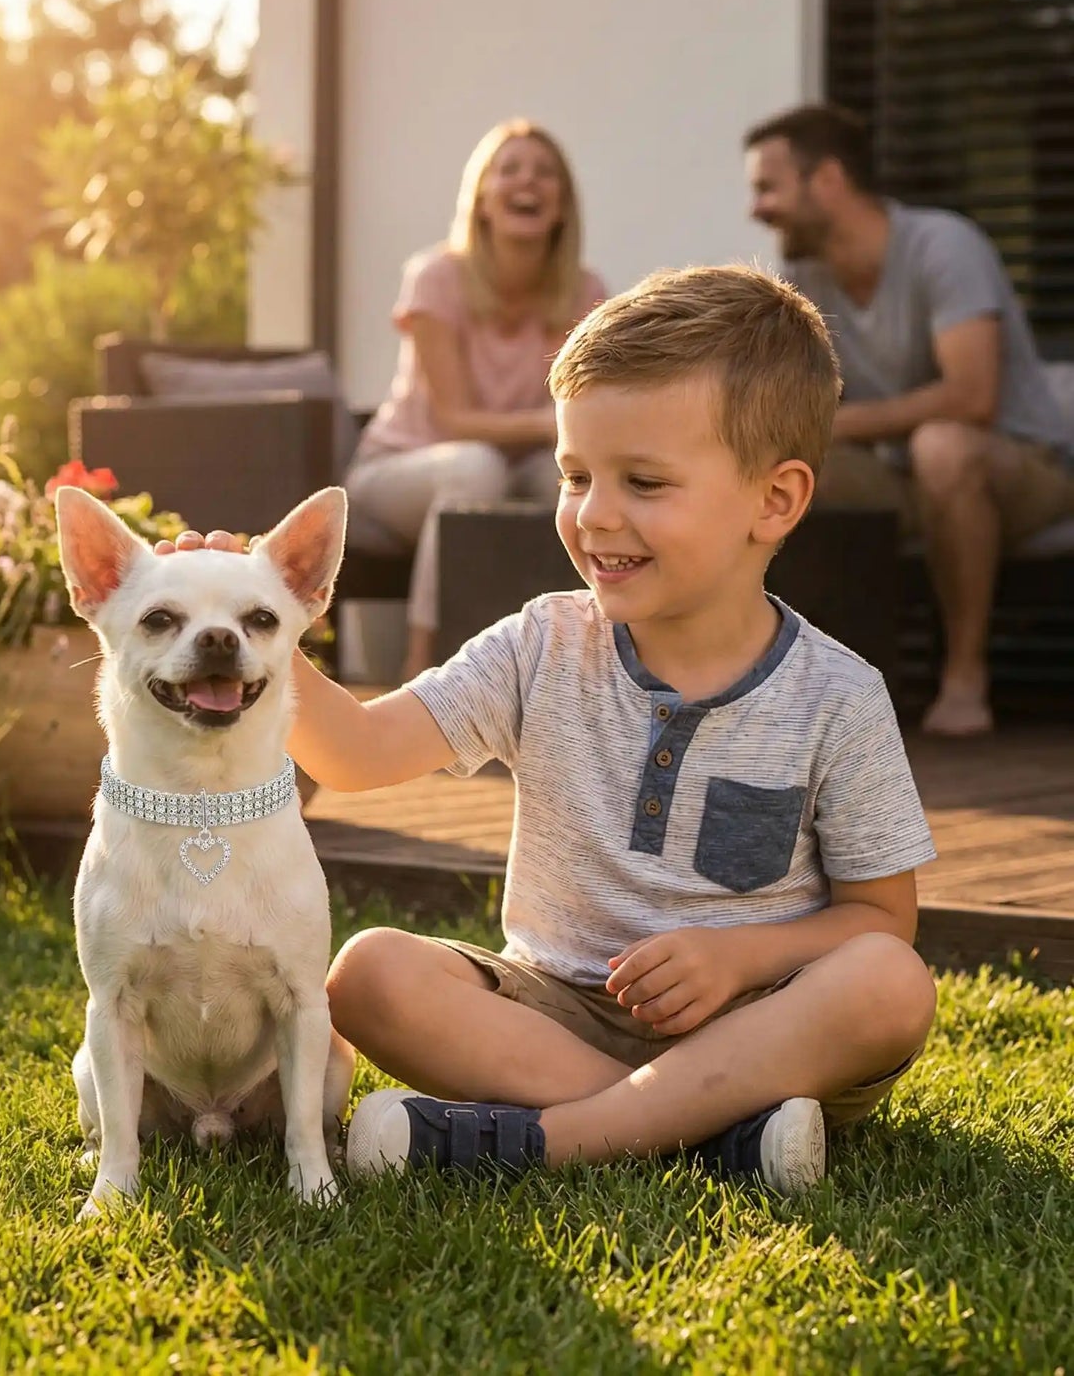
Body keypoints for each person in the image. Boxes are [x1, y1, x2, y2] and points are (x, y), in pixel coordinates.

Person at [159, 265, 938, 1196]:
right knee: (368, 974)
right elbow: (358, 752)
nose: (595, 512)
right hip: (554, 1015)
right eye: (576, 475)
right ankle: (713, 1137)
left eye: (644, 481)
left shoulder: (838, 696)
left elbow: (880, 917)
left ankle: (556, 1139)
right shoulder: (540, 644)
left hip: (764, 1025)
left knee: (890, 982)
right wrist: (257, 624)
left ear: (773, 500)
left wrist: (738, 957)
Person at [743, 103, 1074, 737]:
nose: (757, 209)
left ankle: (964, 678)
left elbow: (971, 397)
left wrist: (841, 425)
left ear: (829, 182)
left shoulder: (942, 245)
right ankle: (784, 692)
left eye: (768, 187)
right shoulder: (804, 276)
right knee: (774, 469)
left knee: (944, 447)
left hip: (1022, 469)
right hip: (902, 474)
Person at [346, 118, 607, 680]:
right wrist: (550, 426)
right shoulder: (436, 276)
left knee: (575, 487)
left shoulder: (586, 293)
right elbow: (454, 419)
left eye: (544, 173)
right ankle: (425, 670)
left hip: (515, 467)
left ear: (562, 205)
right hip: (400, 469)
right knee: (476, 468)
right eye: (509, 170)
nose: (527, 182)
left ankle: (593, 674)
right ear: (483, 199)